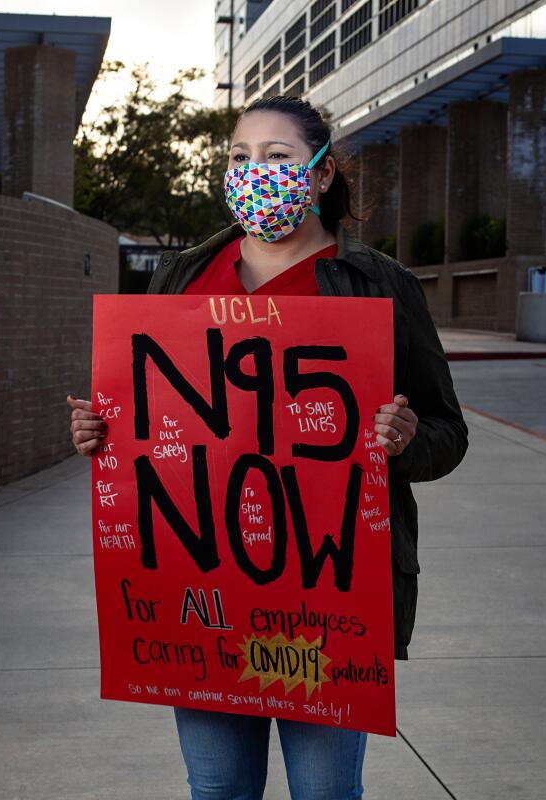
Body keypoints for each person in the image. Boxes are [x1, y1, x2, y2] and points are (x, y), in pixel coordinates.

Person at [68, 95, 468, 800]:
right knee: (217, 789)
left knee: (323, 793)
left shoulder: (378, 284)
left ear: (319, 176)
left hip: (330, 605)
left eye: (278, 159)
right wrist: (101, 433)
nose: (255, 173)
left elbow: (446, 431)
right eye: (239, 158)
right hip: (202, 599)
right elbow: (150, 418)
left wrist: (401, 442)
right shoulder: (184, 276)